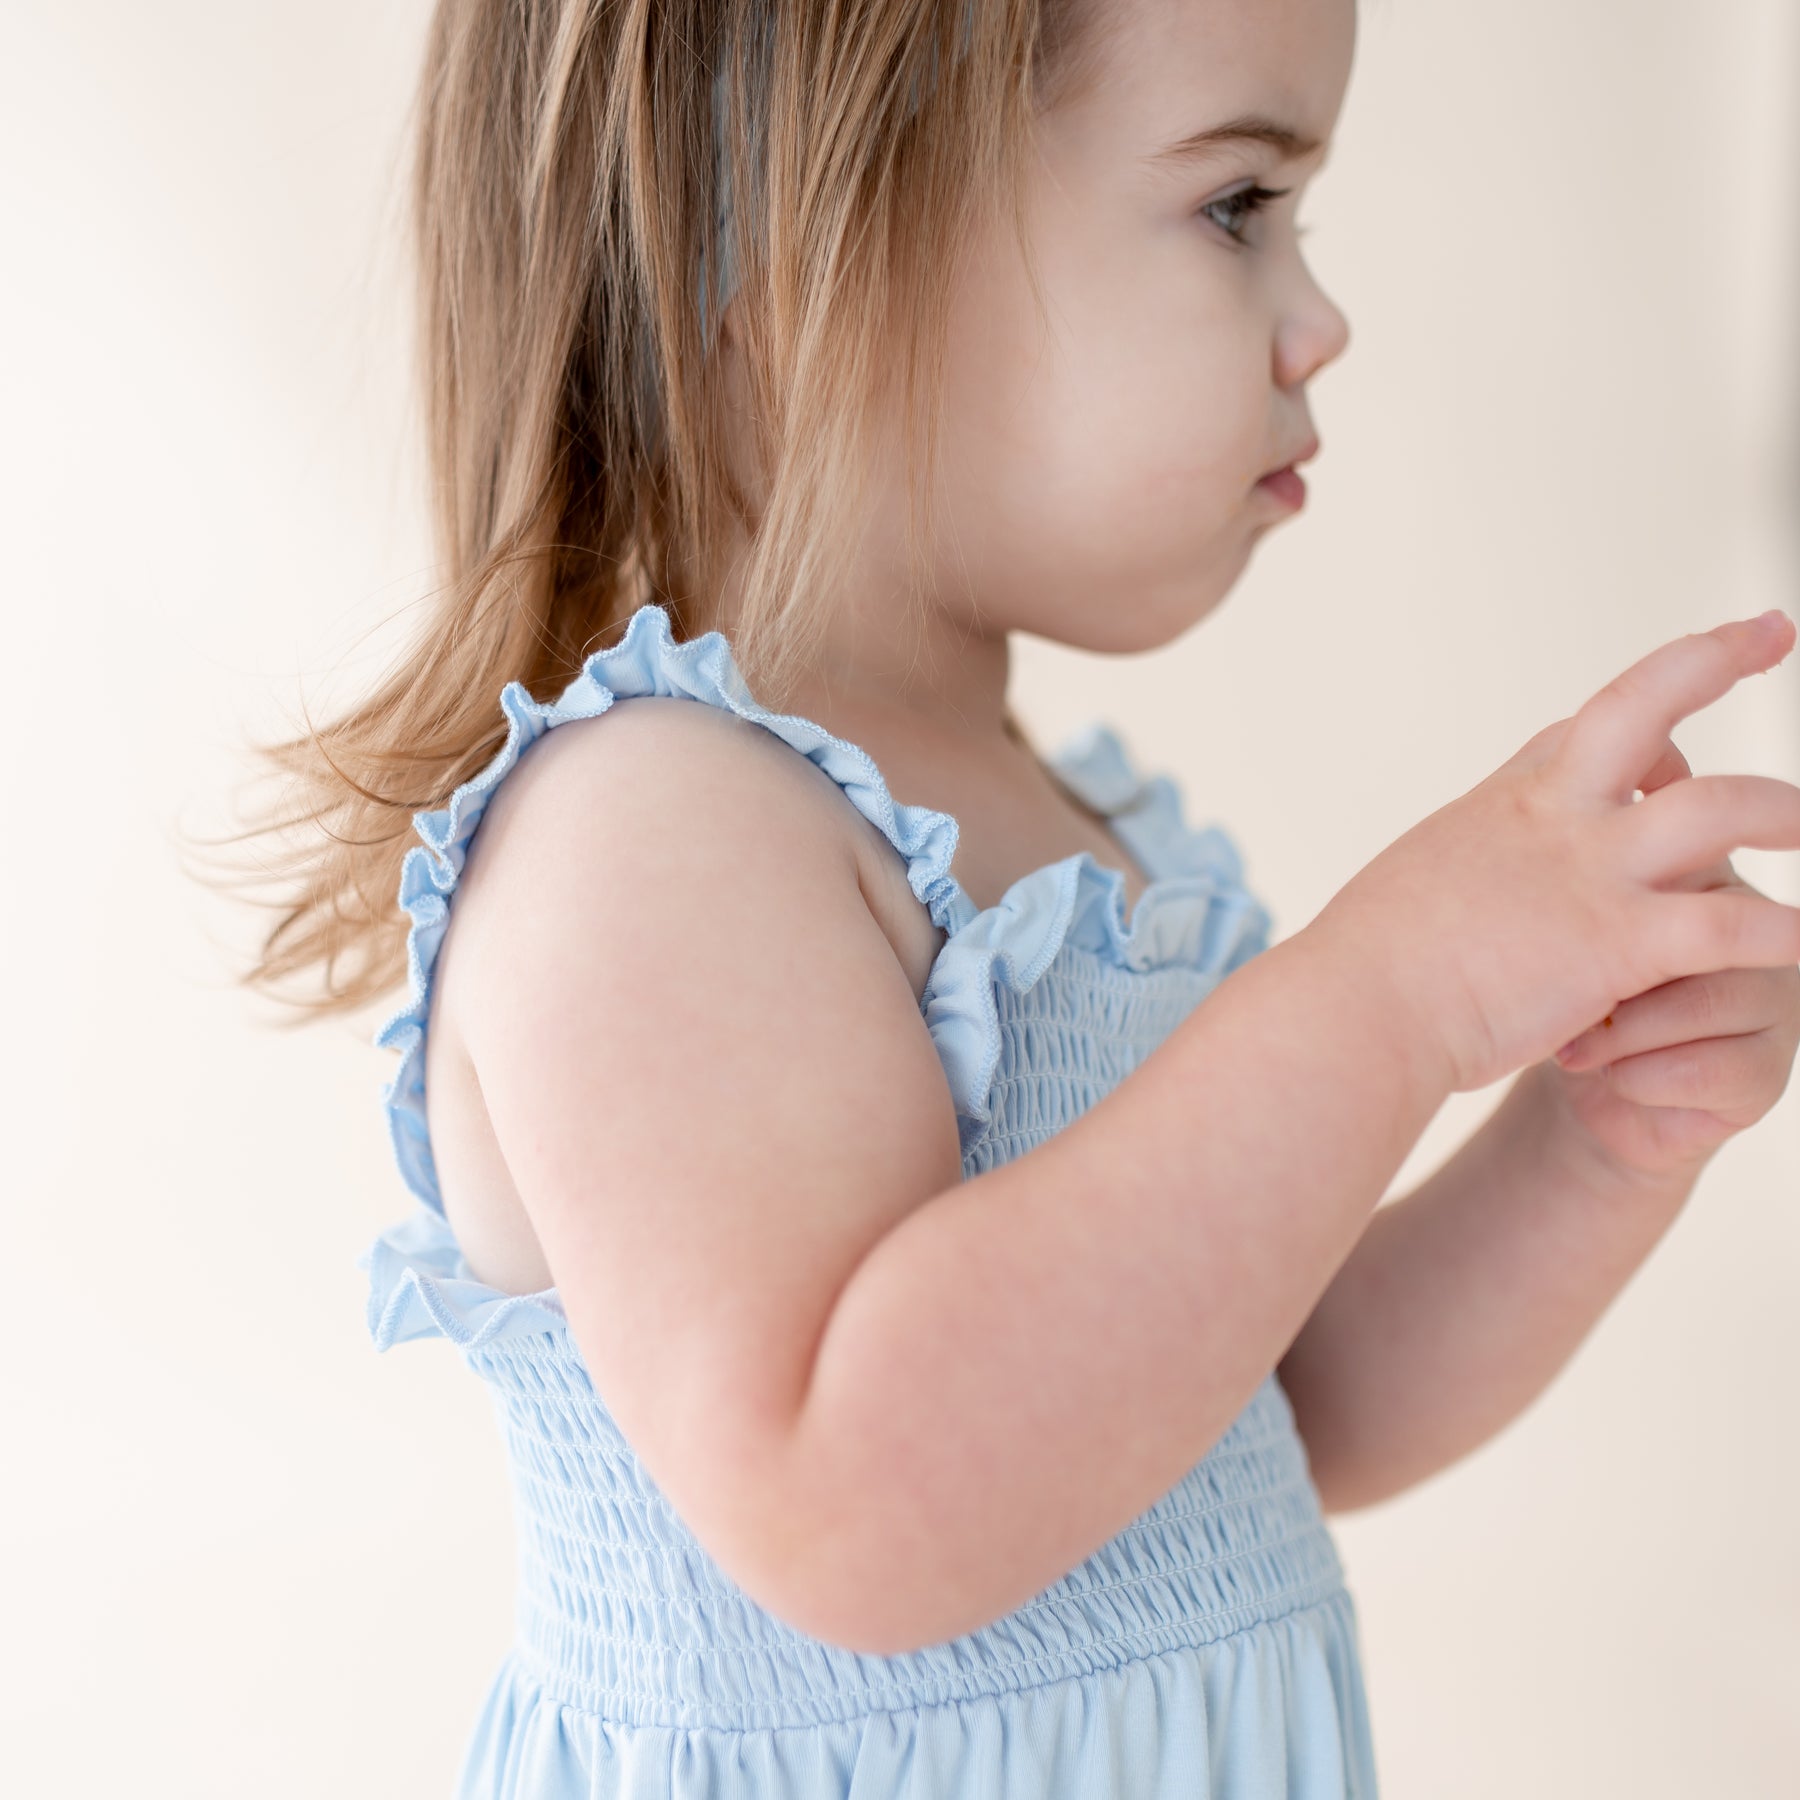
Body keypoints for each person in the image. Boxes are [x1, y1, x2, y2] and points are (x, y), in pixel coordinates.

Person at [219, 0, 1800, 1793]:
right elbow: (850, 1492)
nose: (1321, 317)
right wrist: (1391, 999)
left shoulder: (1066, 841)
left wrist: (1594, 1140)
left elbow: (1271, 1398)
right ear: (815, 247)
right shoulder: (650, 831)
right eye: (1236, 203)